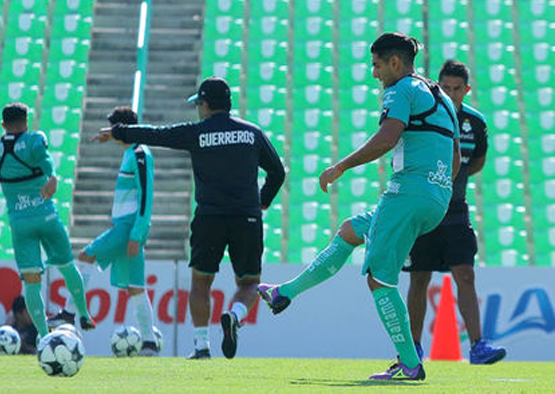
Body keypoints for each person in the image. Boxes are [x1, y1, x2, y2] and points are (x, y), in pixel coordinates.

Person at [258, 33, 461, 381]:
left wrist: (341, 166)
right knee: (350, 231)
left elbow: (388, 137)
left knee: (379, 279)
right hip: (438, 197)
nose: (374, 73)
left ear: (395, 62)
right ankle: (284, 293)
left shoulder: (400, 89)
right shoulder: (441, 95)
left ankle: (410, 364)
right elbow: (455, 156)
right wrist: (435, 191)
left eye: (377, 65)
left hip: (407, 194)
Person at [92, 77, 285, 359]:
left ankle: (201, 346)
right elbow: (277, 172)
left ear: (205, 104)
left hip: (209, 218)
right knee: (248, 284)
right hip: (247, 217)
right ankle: (234, 314)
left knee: (201, 283)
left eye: (198, 104)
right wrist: (262, 202)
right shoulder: (252, 133)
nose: (198, 109)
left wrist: (119, 131)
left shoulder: (197, 132)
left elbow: (158, 135)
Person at [404, 60, 506, 364]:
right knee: (419, 277)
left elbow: (477, 162)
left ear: (467, 89)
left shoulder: (475, 123)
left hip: (456, 210)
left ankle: (477, 346)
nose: (450, 93)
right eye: (445, 87)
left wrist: (453, 180)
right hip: (424, 208)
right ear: (437, 86)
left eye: (457, 89)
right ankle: (413, 349)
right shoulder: (423, 115)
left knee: (465, 274)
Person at [0, 102, 95, 339]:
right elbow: (45, 159)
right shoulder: (35, 139)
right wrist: (52, 176)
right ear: (26, 122)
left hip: (20, 223)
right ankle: (84, 315)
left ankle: (44, 336)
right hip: (47, 217)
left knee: (32, 282)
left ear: (3, 124)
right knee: (67, 266)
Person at [49, 106, 161, 356]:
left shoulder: (140, 154)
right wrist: (108, 136)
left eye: (113, 128)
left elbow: (146, 195)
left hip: (128, 228)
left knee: (87, 255)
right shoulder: (133, 151)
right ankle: (149, 342)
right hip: (127, 227)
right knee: (135, 287)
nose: (111, 131)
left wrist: (137, 234)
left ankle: (69, 313)